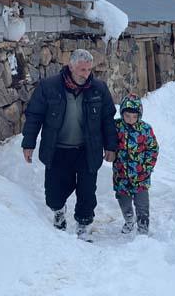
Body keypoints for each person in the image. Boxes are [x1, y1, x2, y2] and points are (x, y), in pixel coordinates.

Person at [21, 49, 117, 240]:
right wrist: (29, 143)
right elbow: (34, 115)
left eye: (89, 69)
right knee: (54, 193)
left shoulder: (99, 89)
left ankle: (83, 224)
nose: (86, 74)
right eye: (82, 69)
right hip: (58, 149)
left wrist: (111, 146)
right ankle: (58, 211)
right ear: (71, 66)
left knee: (87, 192)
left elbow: (108, 119)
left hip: (87, 149)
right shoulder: (49, 87)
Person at [113, 93, 159, 235]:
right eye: (127, 116)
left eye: (134, 117)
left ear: (139, 115)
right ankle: (129, 220)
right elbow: (107, 140)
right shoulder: (116, 127)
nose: (131, 120)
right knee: (124, 201)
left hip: (141, 176)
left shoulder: (145, 129)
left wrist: (147, 168)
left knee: (142, 204)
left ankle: (143, 226)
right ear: (122, 113)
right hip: (121, 175)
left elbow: (153, 149)